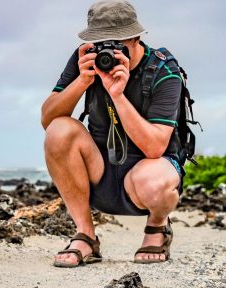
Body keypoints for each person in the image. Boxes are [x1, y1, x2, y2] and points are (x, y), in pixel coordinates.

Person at [41, 0, 184, 267]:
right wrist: (82, 81)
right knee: (60, 129)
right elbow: (48, 119)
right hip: (99, 170)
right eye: (100, 42)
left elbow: (155, 147)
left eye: (117, 43)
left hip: (147, 174)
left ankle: (157, 227)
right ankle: (86, 235)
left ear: (135, 38)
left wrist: (117, 94)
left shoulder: (164, 71)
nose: (108, 51)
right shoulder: (86, 58)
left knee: (154, 181)